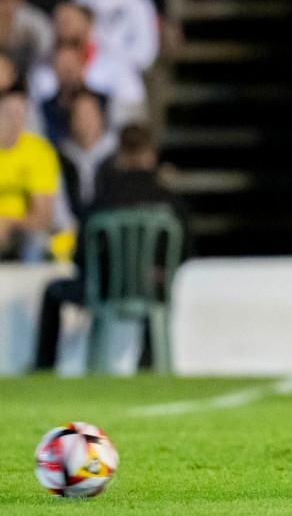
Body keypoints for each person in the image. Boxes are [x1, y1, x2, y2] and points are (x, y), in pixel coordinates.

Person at [33, 122, 186, 370]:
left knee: (53, 291)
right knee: (151, 280)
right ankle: (148, 362)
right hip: (154, 289)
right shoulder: (170, 201)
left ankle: (44, 367)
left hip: (104, 292)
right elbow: (185, 252)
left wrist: (109, 277)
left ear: (120, 156)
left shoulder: (103, 200)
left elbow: (80, 256)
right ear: (151, 155)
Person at [0, 86, 58, 261]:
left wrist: (9, 222)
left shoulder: (39, 152)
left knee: (35, 240)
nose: (14, 121)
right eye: (9, 114)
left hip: (22, 234)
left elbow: (43, 217)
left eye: (20, 114)